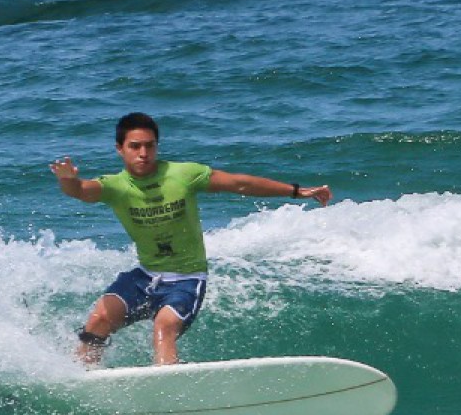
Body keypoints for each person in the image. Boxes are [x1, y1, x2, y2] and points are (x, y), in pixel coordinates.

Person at [50, 112, 332, 366]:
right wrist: (67, 180)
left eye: (150, 145)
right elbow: (80, 190)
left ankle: (167, 390)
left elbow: (239, 183)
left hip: (187, 279)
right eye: (135, 146)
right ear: (120, 149)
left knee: (164, 328)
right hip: (145, 276)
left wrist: (297, 191)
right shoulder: (115, 187)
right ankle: (81, 374)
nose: (143, 153)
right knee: (99, 319)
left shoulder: (183, 175)